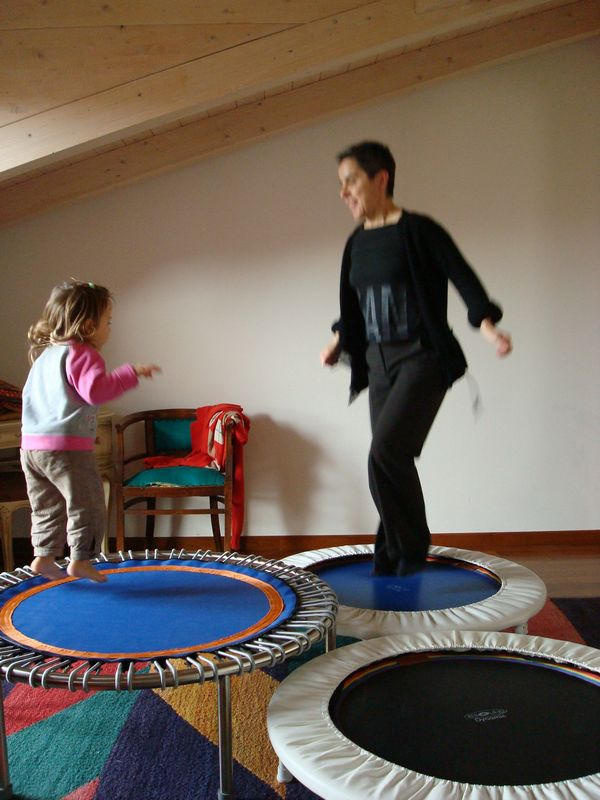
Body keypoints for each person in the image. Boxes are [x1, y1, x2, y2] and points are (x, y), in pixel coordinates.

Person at [320, 141, 512, 576]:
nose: (343, 192)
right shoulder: (356, 244)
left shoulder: (419, 231)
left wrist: (488, 327)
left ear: (380, 178)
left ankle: (408, 547)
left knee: (383, 453)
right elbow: (353, 306)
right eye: (341, 185)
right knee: (388, 461)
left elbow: (463, 278)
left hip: (422, 357)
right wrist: (337, 341)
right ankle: (392, 551)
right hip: (379, 363)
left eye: (350, 181)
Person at [20, 280, 160, 582]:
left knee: (46, 504)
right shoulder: (83, 353)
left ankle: (43, 557)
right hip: (62, 449)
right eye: (107, 322)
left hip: (31, 448)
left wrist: (80, 432)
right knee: (87, 501)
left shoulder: (45, 357)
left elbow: (47, 404)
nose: (109, 328)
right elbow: (95, 391)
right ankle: (81, 559)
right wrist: (130, 373)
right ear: (88, 325)